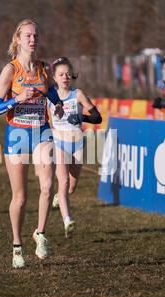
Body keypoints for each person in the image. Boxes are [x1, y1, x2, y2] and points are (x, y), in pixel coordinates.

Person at [0, 19, 64, 268]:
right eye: (28, 36)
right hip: (17, 134)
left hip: (42, 131)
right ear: (18, 40)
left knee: (47, 186)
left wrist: (59, 105)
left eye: (35, 36)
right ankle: (17, 246)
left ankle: (40, 234)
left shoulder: (44, 68)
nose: (33, 40)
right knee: (20, 197)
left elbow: (51, 93)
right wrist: (17, 99)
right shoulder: (10, 71)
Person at [48, 57, 102, 238]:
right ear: (54, 77)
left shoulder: (78, 94)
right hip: (59, 144)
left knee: (71, 187)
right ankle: (67, 220)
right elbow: (46, 120)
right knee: (62, 183)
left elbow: (98, 118)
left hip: (78, 144)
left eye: (68, 74)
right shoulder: (49, 97)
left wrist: (82, 118)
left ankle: (59, 197)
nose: (65, 77)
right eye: (61, 74)